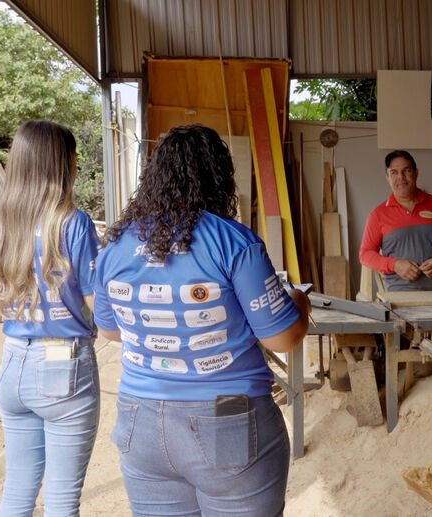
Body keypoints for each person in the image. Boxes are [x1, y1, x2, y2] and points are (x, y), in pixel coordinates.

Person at [92, 124, 311, 516]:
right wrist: (298, 301)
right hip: (226, 422)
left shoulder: (115, 244)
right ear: (219, 178)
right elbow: (282, 339)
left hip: (140, 423)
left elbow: (110, 330)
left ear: (153, 176)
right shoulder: (232, 241)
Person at [0, 120, 101, 516]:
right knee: (61, 499)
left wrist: (27, 291)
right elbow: (99, 305)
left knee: (18, 489)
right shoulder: (73, 222)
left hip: (13, 363)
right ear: (69, 165)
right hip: (64, 368)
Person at [359, 150, 432, 291]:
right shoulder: (378, 214)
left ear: (416, 173)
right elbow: (365, 254)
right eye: (394, 172)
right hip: (398, 299)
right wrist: (395, 265)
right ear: (387, 178)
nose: (401, 177)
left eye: (406, 170)